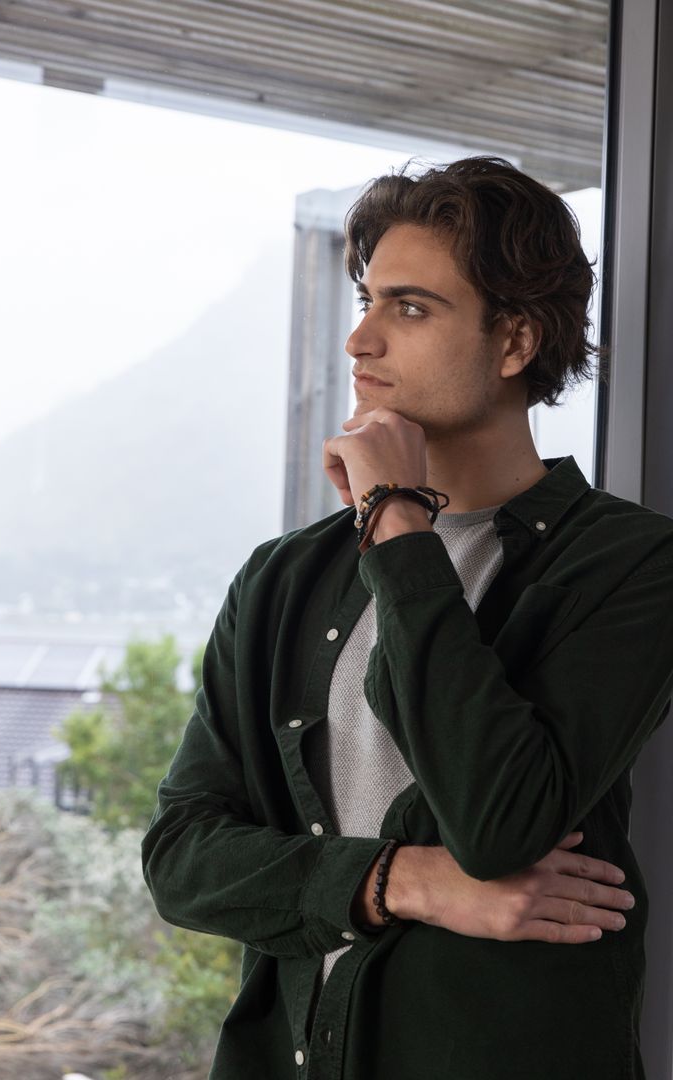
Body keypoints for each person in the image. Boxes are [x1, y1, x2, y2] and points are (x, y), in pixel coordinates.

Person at [142, 157, 673, 1079]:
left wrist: (395, 520)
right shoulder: (282, 577)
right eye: (366, 298)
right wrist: (403, 882)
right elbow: (182, 857)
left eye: (410, 308)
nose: (360, 340)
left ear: (514, 342)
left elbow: (501, 820)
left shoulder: (629, 563)